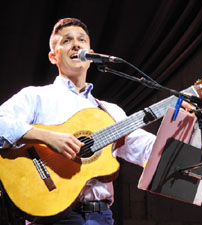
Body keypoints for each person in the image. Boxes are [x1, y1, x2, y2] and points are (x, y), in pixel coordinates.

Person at [0, 17, 166, 225]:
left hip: (101, 217)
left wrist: (177, 121)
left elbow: (146, 149)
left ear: (91, 54)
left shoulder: (109, 111)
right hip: (50, 215)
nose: (76, 44)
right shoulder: (36, 97)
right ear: (53, 56)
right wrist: (48, 137)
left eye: (82, 40)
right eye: (67, 40)